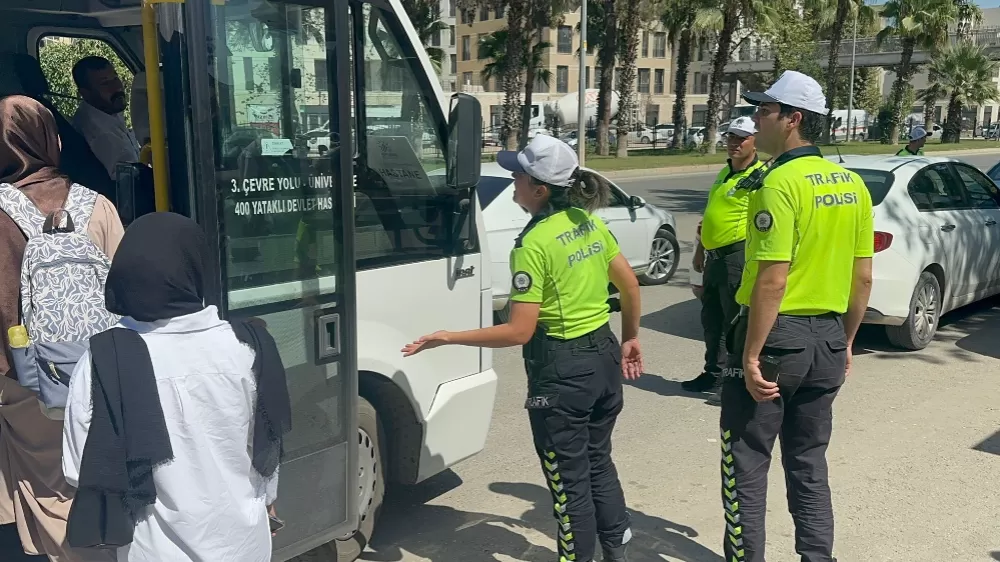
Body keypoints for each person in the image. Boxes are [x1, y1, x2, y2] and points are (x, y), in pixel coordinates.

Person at [401, 134, 643, 562]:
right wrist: (630, 338)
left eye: (518, 175)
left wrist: (448, 337)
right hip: (604, 358)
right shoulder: (589, 223)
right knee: (598, 462)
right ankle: (617, 552)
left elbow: (518, 332)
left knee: (570, 484)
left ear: (540, 188)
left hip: (564, 370)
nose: (512, 181)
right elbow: (629, 285)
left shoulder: (533, 245)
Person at [62, 212, 292, 562]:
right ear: (197, 267)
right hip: (245, 546)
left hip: (152, 551)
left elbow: (80, 468)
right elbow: (267, 450)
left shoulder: (104, 358)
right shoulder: (249, 345)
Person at [720, 70, 874, 562]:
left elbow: (772, 279)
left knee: (745, 461)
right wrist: (846, 340)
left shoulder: (778, 183)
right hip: (827, 337)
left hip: (777, 337)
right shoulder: (853, 185)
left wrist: (749, 355)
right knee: (808, 464)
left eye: (765, 112)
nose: (756, 121)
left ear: (794, 120)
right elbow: (863, 277)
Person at [0, 95, 124, 562]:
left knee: (50, 486)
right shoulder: (98, 206)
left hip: (25, 379)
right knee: (92, 473)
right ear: (53, 140)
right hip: (98, 373)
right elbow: (126, 291)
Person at [682, 117, 765, 401]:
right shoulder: (725, 172)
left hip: (736, 257)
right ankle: (712, 373)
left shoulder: (759, 177)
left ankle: (734, 380)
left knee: (734, 323)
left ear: (755, 141)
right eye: (731, 137)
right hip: (714, 259)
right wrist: (699, 251)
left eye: (742, 138)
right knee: (712, 320)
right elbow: (708, 220)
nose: (734, 143)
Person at [71, 57, 141, 179]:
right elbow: (128, 182)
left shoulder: (106, 110)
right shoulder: (98, 133)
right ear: (85, 93)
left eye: (115, 78)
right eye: (105, 83)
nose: (117, 87)